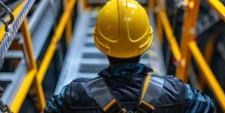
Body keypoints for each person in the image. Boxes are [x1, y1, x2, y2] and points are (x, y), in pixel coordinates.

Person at [44, 0, 215, 112]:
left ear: (102, 46)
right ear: (145, 44)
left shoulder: (76, 94)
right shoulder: (175, 92)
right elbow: (208, 107)